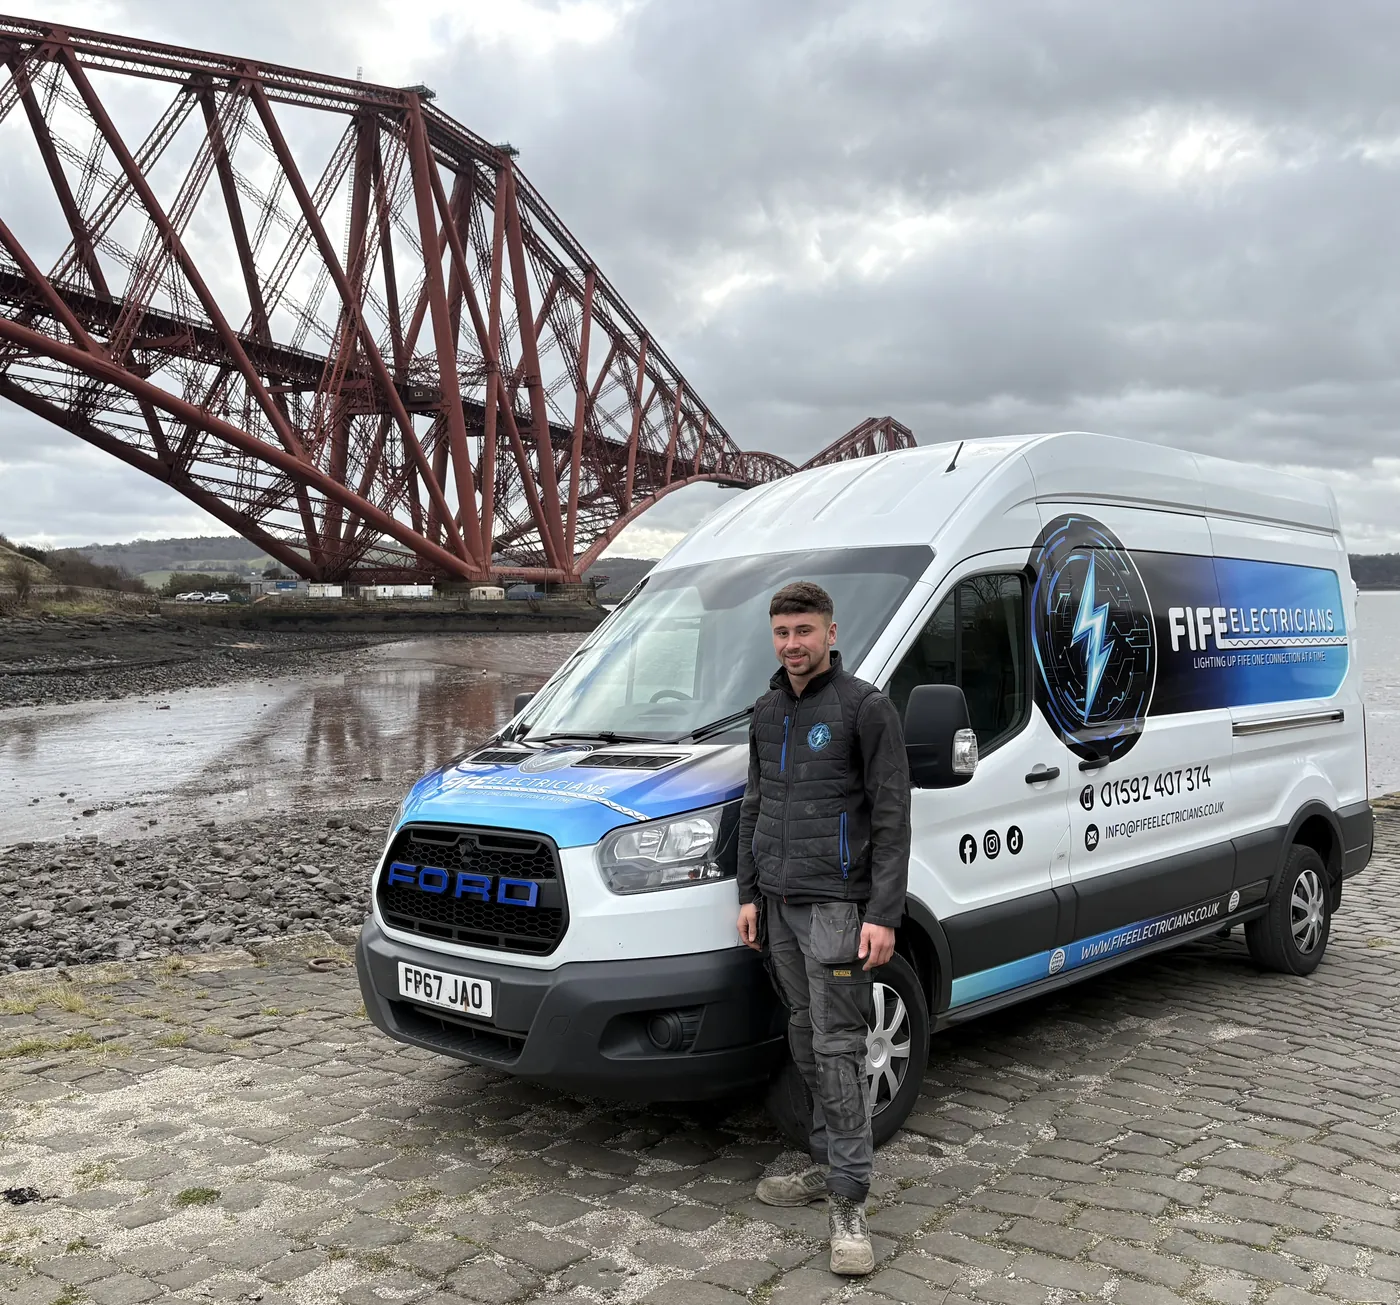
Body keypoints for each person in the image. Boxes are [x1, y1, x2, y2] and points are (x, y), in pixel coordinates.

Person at [736, 580, 911, 1277]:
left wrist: (884, 913)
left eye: (804, 631)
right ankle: (829, 1155)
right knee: (805, 1036)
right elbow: (755, 802)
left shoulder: (864, 708)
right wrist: (748, 892)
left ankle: (849, 1201)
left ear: (831, 633)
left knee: (837, 1045)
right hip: (778, 904)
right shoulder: (767, 709)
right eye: (782, 632)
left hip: (839, 907)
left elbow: (893, 815)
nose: (792, 644)